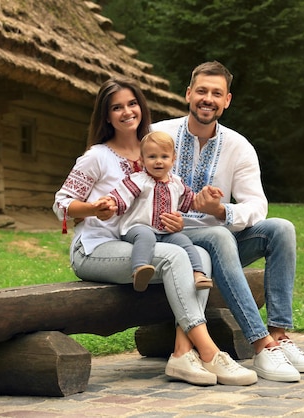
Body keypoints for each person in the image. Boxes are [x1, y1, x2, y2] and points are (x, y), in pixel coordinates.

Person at [53, 76, 257, 386]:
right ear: (106, 116)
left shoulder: (154, 150)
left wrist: (176, 219)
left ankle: (181, 353)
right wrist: (93, 208)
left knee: (199, 254)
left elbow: (171, 198)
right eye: (117, 107)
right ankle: (209, 352)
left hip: (143, 243)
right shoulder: (97, 156)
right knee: (176, 256)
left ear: (141, 107)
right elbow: (61, 203)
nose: (127, 112)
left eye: (132, 104)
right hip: (95, 248)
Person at [151, 61, 304, 382]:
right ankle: (261, 345)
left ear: (227, 100)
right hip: (168, 243)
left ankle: (280, 336)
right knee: (219, 237)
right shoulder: (158, 135)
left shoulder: (238, 146)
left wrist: (222, 212)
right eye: (201, 91)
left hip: (220, 244)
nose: (208, 98)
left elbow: (257, 206)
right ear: (188, 94)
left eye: (217, 93)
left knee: (280, 229)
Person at [102, 131, 219, 291]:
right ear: (142, 160)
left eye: (164, 157)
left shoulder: (176, 183)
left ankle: (198, 274)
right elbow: (121, 196)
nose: (158, 161)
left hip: (165, 232)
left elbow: (191, 201)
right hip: (136, 228)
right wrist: (111, 202)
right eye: (152, 157)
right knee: (146, 236)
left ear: (173, 159)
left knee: (184, 241)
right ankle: (139, 270)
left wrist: (206, 197)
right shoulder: (138, 180)